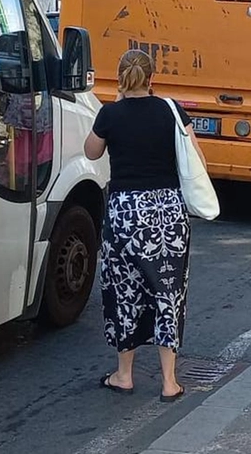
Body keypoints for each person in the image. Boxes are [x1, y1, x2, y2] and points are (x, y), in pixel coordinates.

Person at [83, 49, 201, 401]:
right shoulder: (171, 110)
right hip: (167, 212)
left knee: (124, 291)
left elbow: (91, 152)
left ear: (121, 78)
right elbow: (196, 157)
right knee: (168, 291)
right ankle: (169, 381)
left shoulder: (110, 114)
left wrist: (116, 104)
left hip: (125, 214)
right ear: (152, 79)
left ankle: (124, 374)